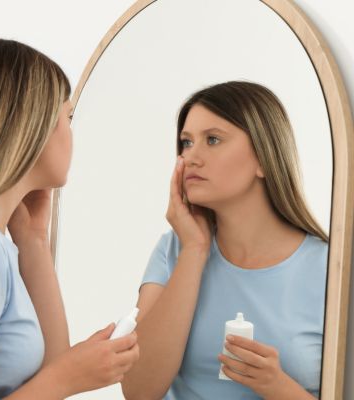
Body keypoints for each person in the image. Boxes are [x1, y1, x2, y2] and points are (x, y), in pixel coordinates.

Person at [0, 39, 139, 399]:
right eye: (67, 118)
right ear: (32, 127)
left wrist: (33, 239)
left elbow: (49, 368)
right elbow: (57, 379)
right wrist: (70, 375)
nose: (72, 133)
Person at [122, 81, 328, 400]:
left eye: (213, 139)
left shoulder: (332, 269)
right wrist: (195, 249)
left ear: (263, 157)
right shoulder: (174, 249)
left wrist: (278, 387)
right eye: (186, 143)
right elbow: (138, 389)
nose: (191, 157)